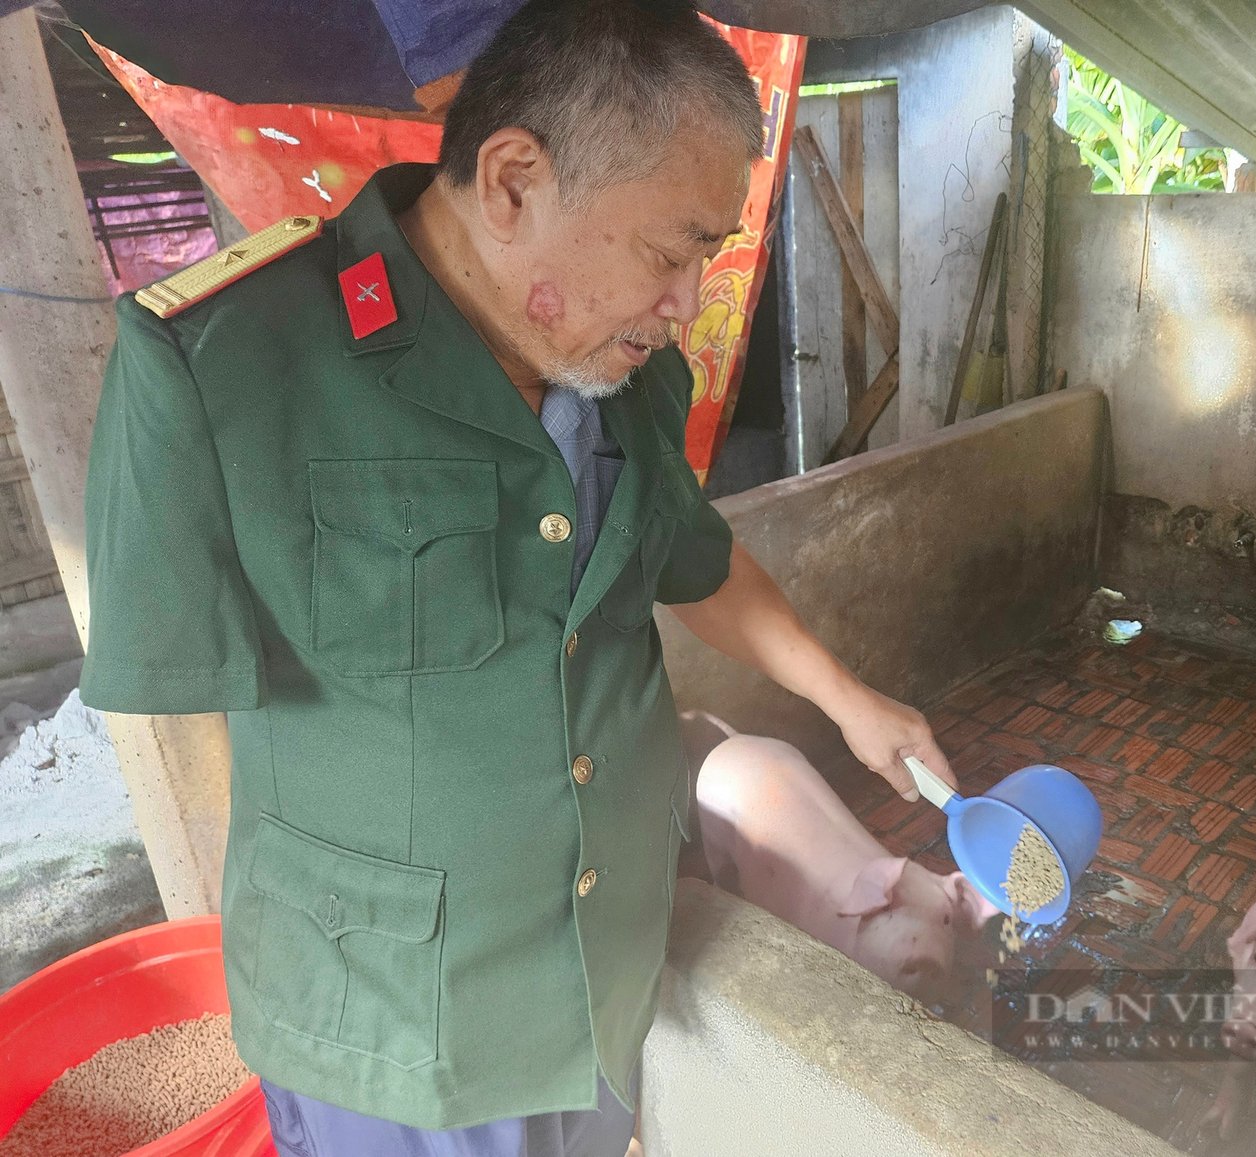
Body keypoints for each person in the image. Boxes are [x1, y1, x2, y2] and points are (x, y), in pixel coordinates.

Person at [78, 2, 956, 1155]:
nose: (688, 298)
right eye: (670, 248)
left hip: (600, 980)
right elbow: (192, 708)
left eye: (707, 253)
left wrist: (846, 700)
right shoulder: (224, 366)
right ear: (509, 181)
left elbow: (692, 561)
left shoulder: (628, 379)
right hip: (395, 1032)